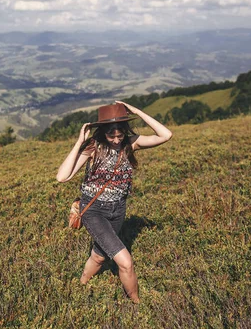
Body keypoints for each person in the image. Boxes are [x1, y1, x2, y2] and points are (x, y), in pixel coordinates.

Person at [56, 100, 172, 303]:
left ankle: (81, 285)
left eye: (120, 135)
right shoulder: (93, 147)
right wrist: (80, 141)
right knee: (125, 262)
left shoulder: (131, 143)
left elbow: (166, 135)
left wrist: (135, 111)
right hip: (94, 211)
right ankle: (137, 304)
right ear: (102, 132)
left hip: (118, 209)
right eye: (112, 135)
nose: (117, 140)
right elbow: (62, 176)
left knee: (100, 256)